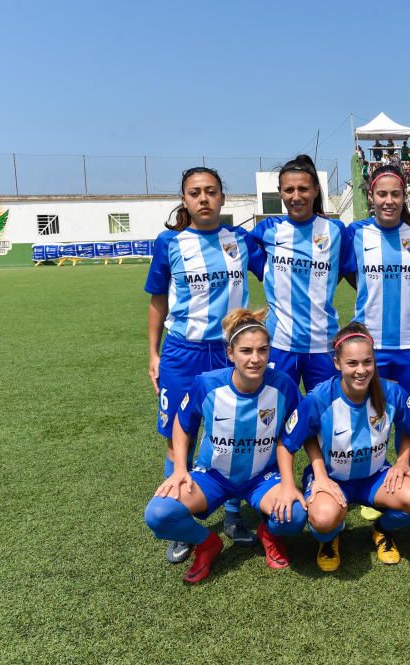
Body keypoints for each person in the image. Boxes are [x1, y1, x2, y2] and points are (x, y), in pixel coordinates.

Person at [144, 166, 267, 563]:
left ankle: (233, 516)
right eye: (195, 192)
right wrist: (153, 352)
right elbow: (157, 301)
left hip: (230, 350)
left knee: (236, 427)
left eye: (211, 191)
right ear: (184, 199)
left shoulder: (241, 240)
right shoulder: (169, 243)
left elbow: (278, 273)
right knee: (177, 433)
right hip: (183, 351)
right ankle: (182, 524)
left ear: (223, 198)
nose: (203, 198)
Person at [144, 308, 306, 583]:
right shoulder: (207, 384)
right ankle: (207, 543)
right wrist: (181, 469)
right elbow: (182, 424)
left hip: (262, 478)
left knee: (295, 517)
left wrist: (289, 482)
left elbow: (297, 428)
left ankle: (269, 533)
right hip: (214, 476)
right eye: (246, 351)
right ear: (230, 354)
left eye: (262, 350)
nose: (255, 358)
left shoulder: (285, 386)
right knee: (159, 514)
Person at [279, 322, 410, 572]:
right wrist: (294, 483)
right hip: (332, 479)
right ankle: (331, 537)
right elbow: (287, 443)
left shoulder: (390, 391)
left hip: (374, 476)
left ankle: (382, 529)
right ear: (337, 363)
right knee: (323, 518)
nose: (361, 370)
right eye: (352, 363)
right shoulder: (320, 398)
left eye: (367, 362)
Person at [252, 155, 352, 392]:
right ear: (280, 192)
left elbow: (344, 272)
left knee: (324, 418)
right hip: (279, 344)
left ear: (316, 190)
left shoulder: (336, 231)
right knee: (276, 415)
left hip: (323, 345)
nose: (296, 196)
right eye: (289, 190)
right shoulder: (267, 229)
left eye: (303, 189)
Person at [345, 165, 410, 453]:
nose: (389, 200)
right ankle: (363, 471)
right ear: (371, 196)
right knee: (366, 412)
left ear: (404, 196)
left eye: (395, 194)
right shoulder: (356, 232)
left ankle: (409, 471)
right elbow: (347, 271)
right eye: (382, 194)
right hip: (369, 344)